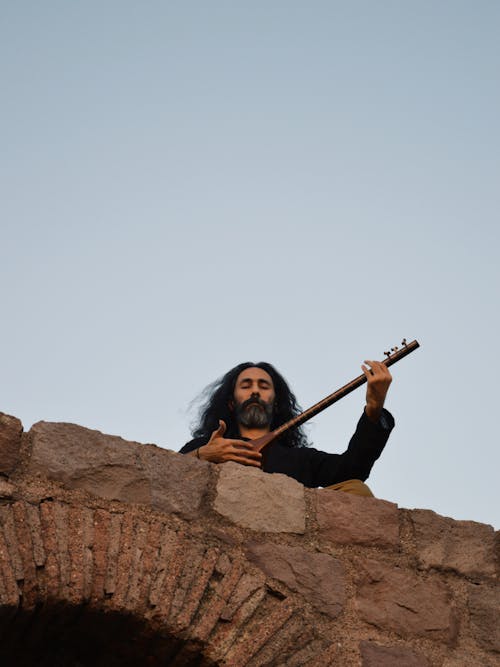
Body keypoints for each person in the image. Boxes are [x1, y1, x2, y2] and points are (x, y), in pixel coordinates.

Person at [179, 360, 394, 496]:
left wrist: (374, 410)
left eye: (263, 387)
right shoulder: (206, 446)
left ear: (276, 403)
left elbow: (353, 470)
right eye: (246, 386)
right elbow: (167, 475)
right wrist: (202, 455)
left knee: (356, 490)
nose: (255, 392)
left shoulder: (300, 460)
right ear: (231, 403)